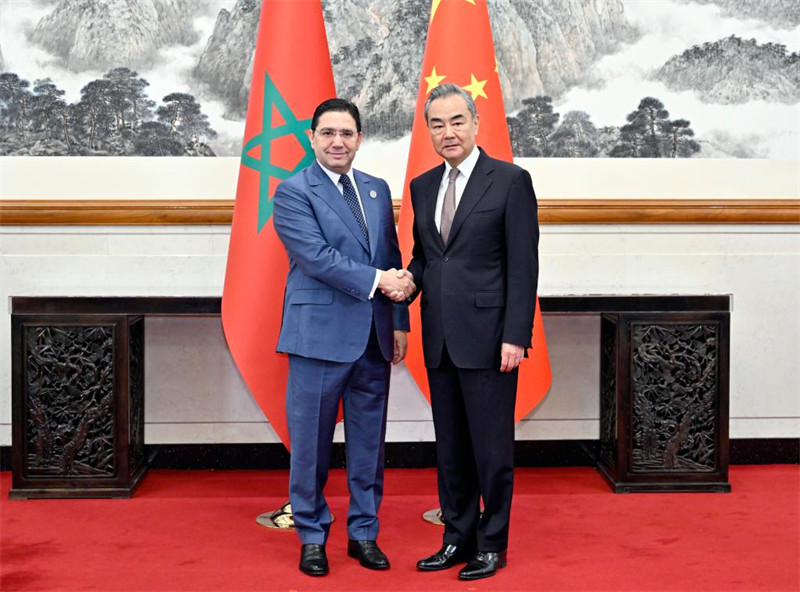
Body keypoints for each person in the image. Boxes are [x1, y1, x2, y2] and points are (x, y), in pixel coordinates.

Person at [272, 98, 414, 577]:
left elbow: (391, 255)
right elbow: (315, 257)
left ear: (359, 139)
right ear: (312, 137)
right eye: (328, 133)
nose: (338, 141)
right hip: (318, 338)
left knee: (369, 444)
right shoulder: (293, 191)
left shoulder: (376, 189)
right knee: (310, 444)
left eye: (347, 133)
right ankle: (312, 536)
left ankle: (364, 533)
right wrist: (380, 281)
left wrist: (398, 322)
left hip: (374, 337)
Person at [406, 84, 539, 580]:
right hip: (439, 338)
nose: (448, 132)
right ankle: (456, 537)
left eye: (457, 121)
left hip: (490, 339)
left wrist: (515, 335)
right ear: (429, 131)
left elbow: (523, 266)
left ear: (476, 123)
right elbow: (427, 258)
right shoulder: (422, 186)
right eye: (437, 124)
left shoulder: (509, 181)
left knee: (491, 449)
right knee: (451, 449)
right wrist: (404, 282)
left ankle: (492, 543)